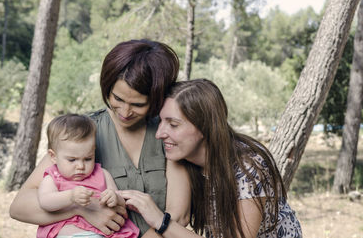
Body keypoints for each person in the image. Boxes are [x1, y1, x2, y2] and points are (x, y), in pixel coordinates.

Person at [9, 39, 191, 238]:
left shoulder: (168, 133)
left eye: (138, 104)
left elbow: (179, 215)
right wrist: (80, 210)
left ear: (157, 98)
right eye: (117, 99)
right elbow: (20, 206)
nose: (125, 112)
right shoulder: (83, 131)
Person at [120, 79, 303, 238]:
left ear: (204, 127)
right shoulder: (186, 160)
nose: (159, 134)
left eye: (173, 125)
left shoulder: (249, 167)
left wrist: (161, 220)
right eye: (161, 122)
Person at [37, 113, 139, 238]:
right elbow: (45, 202)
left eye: (88, 159)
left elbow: (120, 201)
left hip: (103, 233)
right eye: (72, 160)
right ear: (53, 156)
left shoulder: (102, 174)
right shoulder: (53, 177)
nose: (80, 166)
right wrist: (71, 196)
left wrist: (114, 198)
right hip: (71, 233)